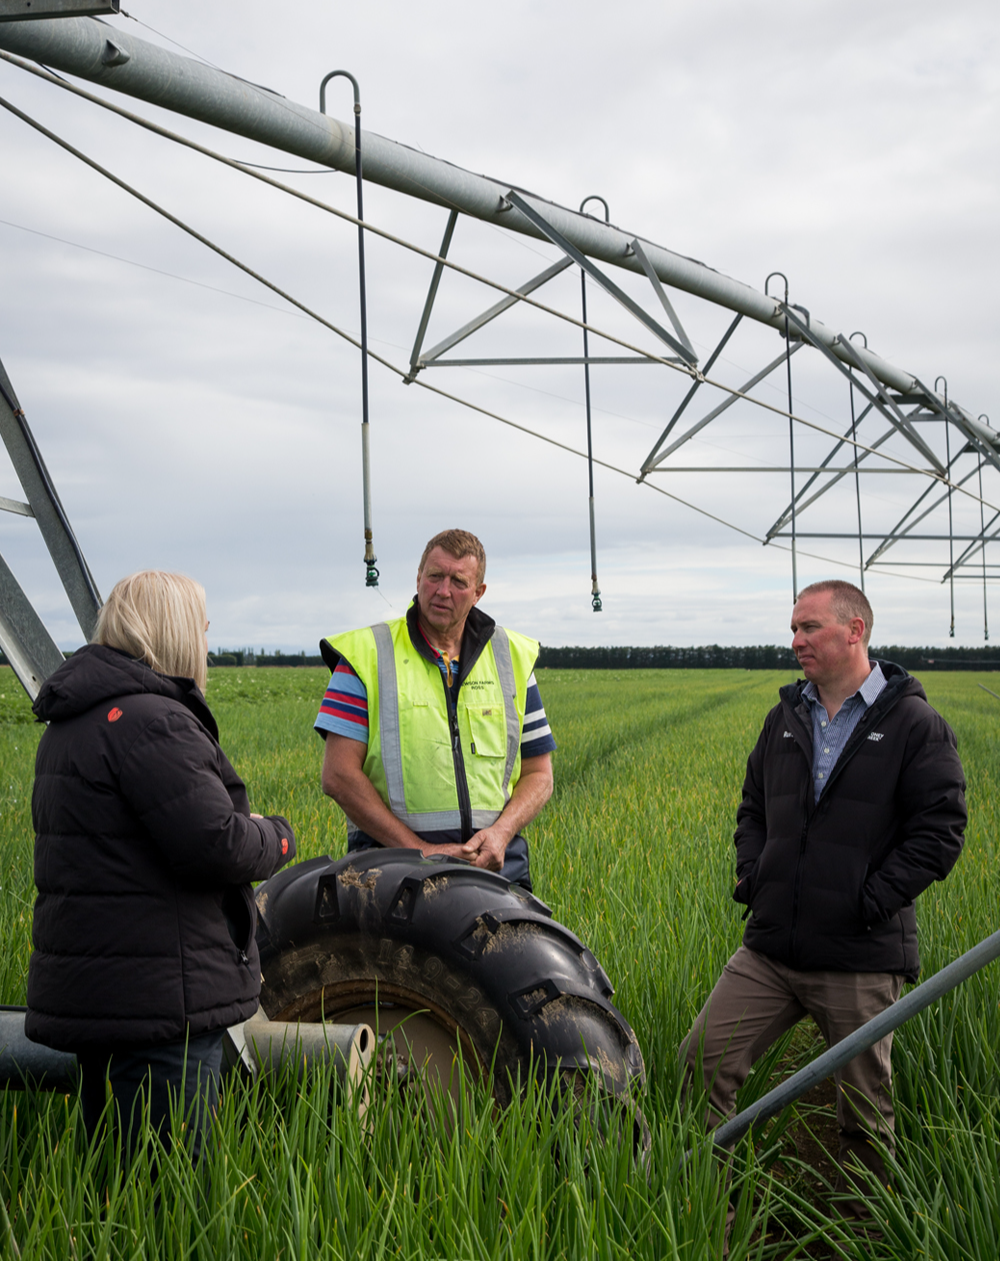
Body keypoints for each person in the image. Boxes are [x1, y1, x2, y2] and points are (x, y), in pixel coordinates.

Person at [681, 579, 966, 1211]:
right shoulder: (785, 717)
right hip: (771, 948)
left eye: (809, 627)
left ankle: (863, 1233)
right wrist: (753, 877)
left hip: (860, 956)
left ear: (855, 630)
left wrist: (867, 901)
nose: (796, 640)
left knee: (864, 1112)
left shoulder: (914, 723)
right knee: (702, 1063)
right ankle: (714, 1214)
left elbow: (941, 830)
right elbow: (752, 808)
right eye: (794, 628)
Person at [26, 571, 295, 1165]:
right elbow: (215, 843)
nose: (205, 638)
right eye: (200, 625)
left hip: (103, 988)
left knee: (117, 1178)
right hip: (160, 999)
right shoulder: (153, 720)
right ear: (173, 630)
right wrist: (278, 838)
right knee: (166, 1188)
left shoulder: (74, 721)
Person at [315, 528, 555, 890]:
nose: (443, 591)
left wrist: (501, 834)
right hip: (389, 876)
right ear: (418, 577)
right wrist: (421, 852)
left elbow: (540, 775)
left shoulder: (512, 658)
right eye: (435, 576)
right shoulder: (366, 655)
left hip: (496, 873)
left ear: (478, 593)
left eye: (458, 581)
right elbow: (338, 776)